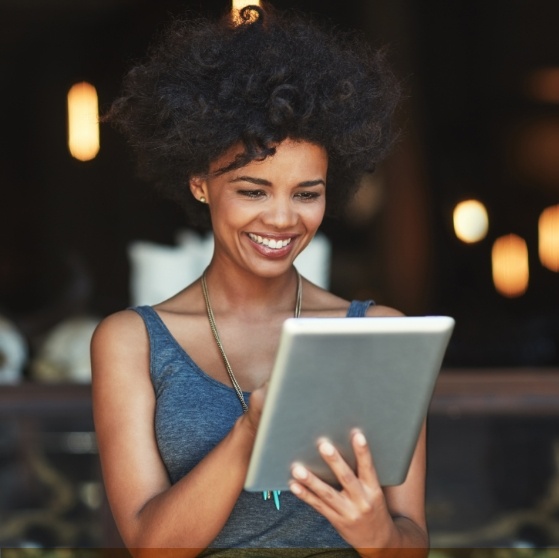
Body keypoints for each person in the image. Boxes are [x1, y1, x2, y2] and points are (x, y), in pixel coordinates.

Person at [91, 4, 428, 557]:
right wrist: (250, 433)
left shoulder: (375, 332)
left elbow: (412, 542)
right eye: (253, 190)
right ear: (201, 182)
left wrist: (378, 536)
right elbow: (151, 546)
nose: (281, 219)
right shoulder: (132, 342)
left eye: (306, 193)